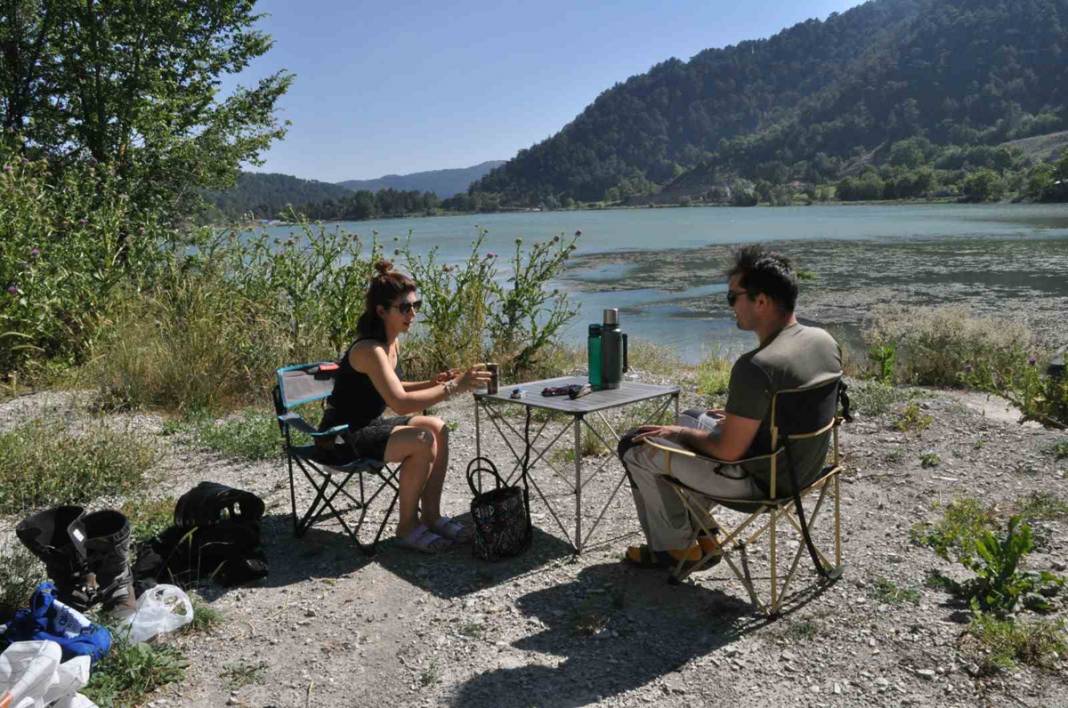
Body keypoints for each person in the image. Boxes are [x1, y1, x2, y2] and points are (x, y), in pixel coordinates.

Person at [618, 245, 842, 570]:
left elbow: (726, 451)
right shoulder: (823, 340)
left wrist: (676, 432)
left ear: (761, 301)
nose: (730, 307)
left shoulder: (757, 366)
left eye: (732, 297)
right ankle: (704, 536)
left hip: (761, 481)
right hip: (804, 468)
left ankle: (675, 550)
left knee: (636, 444)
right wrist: (749, 420)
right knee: (693, 417)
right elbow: (801, 407)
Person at [318, 260, 491, 553]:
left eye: (416, 305)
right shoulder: (370, 350)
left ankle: (432, 515)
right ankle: (407, 527)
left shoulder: (392, 343)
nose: (413, 314)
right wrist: (453, 388)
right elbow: (399, 403)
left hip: (367, 427)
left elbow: (395, 390)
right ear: (381, 311)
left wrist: (431, 383)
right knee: (421, 441)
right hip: (340, 437)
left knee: (437, 428)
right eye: (405, 308)